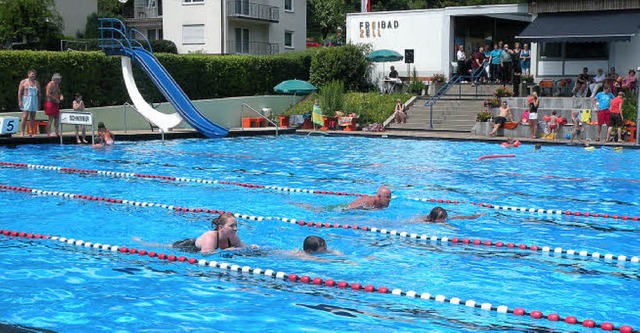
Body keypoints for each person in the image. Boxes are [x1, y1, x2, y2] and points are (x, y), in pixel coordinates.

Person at [173, 213, 245, 254]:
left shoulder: (233, 236)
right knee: (169, 247)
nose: (235, 228)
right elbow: (205, 253)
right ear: (220, 227)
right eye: (231, 226)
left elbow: (242, 248)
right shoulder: (211, 236)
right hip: (188, 246)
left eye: (236, 225)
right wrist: (226, 251)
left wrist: (252, 248)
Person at [17, 69, 41, 137]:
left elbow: (39, 94)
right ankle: (22, 132)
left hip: (34, 100)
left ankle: (31, 132)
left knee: (32, 117)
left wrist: (39, 103)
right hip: (26, 99)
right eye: (32, 74)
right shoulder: (24, 82)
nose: (33, 75)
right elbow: (19, 92)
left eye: (34, 74)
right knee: (24, 116)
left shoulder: (37, 83)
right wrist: (20, 101)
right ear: (28, 74)